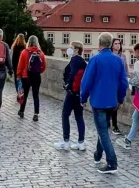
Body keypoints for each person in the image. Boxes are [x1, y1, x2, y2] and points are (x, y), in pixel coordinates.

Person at [79, 32, 129, 175]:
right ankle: (97, 155)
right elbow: (124, 82)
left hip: (99, 101)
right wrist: (120, 99)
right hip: (112, 101)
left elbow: (86, 81)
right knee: (104, 128)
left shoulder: (95, 59)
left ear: (99, 43)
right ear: (110, 43)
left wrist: (83, 98)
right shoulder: (118, 60)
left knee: (103, 131)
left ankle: (112, 162)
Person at [55, 42, 87, 151]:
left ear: (77, 49)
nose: (69, 49)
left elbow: (72, 73)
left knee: (65, 115)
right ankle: (81, 143)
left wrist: (67, 84)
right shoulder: (83, 61)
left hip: (72, 93)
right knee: (79, 117)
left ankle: (66, 141)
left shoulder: (75, 59)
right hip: (80, 93)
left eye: (71, 48)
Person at [16, 35, 47, 121]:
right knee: (36, 95)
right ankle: (36, 114)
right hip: (36, 77)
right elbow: (44, 66)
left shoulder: (24, 52)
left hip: (26, 77)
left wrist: (18, 75)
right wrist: (38, 72)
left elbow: (20, 66)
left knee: (24, 95)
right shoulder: (40, 53)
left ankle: (21, 111)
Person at [107, 37, 126, 134]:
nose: (118, 45)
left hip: (119, 83)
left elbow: (125, 71)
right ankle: (114, 125)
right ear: (111, 45)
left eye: (119, 43)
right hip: (111, 83)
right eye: (116, 43)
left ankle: (113, 124)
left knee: (117, 104)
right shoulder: (109, 56)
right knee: (112, 104)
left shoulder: (122, 56)